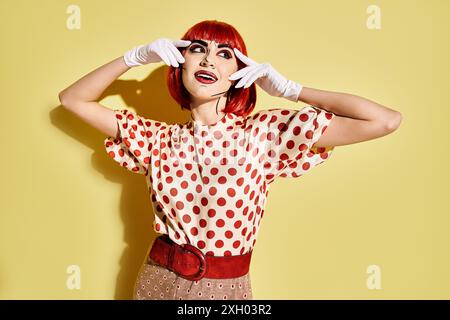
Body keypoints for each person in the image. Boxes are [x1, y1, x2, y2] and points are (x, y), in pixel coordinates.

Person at [58, 20, 402, 300]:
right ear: (179, 64)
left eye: (225, 54)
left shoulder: (266, 134)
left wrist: (293, 91)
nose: (208, 60)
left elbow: (384, 120)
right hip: (155, 283)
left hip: (225, 291)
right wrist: (134, 57)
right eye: (197, 49)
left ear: (240, 72)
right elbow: (72, 99)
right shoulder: (156, 138)